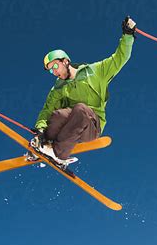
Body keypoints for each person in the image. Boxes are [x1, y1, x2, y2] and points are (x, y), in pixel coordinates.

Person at [30, 16, 136, 166]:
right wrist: (40, 130)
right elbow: (47, 110)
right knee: (58, 115)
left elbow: (120, 57)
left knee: (80, 109)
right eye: (50, 71)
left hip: (92, 125)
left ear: (65, 61)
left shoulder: (94, 72)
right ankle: (43, 146)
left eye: (54, 67)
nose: (53, 72)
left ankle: (59, 154)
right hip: (71, 127)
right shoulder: (59, 88)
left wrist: (128, 35)